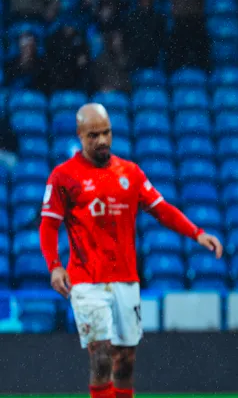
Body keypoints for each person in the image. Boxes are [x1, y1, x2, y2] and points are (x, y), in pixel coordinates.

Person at [39, 104, 223, 398]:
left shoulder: (130, 173)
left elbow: (162, 210)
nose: (101, 140)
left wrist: (197, 233)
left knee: (125, 361)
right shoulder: (64, 176)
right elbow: (48, 226)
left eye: (106, 133)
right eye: (93, 135)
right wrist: (54, 266)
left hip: (126, 279)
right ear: (80, 136)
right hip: (86, 281)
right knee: (100, 356)